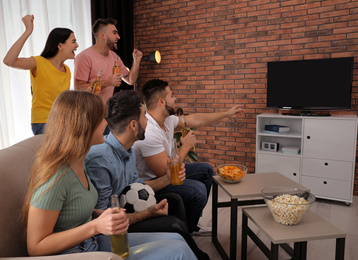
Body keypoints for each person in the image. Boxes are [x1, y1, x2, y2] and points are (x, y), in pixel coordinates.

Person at [21, 90, 196, 259]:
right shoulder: (57, 176)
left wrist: (105, 216)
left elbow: (77, 211)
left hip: (92, 242)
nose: (107, 124)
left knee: (178, 240)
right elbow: (36, 247)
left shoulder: (78, 162)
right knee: (178, 250)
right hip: (77, 253)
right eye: (101, 119)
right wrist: (96, 226)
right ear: (83, 126)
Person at [85, 90, 210, 260]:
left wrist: (167, 178)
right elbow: (104, 216)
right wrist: (147, 214)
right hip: (112, 228)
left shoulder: (127, 150)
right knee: (174, 225)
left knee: (174, 200)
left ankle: (187, 247)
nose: (148, 122)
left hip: (126, 209)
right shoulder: (100, 159)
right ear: (133, 125)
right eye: (145, 117)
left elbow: (140, 185)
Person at [133, 79, 244, 235]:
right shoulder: (150, 131)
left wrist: (227, 113)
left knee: (206, 170)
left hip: (166, 174)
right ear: (162, 102)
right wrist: (185, 147)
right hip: (154, 182)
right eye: (172, 95)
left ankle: (191, 222)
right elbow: (165, 174)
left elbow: (195, 119)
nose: (175, 99)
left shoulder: (166, 120)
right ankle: (186, 234)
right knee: (197, 191)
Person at [3, 15, 78, 135]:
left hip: (62, 123)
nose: (77, 45)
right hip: (44, 123)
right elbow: (8, 61)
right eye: (73, 41)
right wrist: (28, 31)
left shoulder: (67, 70)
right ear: (60, 46)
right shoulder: (38, 63)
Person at [74, 18, 142, 135]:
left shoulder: (114, 56)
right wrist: (107, 83)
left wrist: (136, 61)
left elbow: (131, 80)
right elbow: (78, 88)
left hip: (105, 116)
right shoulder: (84, 57)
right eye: (114, 33)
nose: (118, 37)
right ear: (103, 35)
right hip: (88, 117)